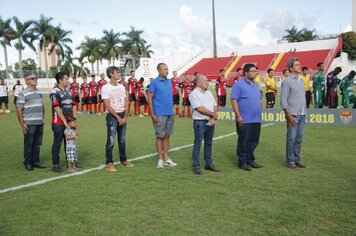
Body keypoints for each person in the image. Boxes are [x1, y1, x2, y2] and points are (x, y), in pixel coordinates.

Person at [231, 64, 263, 171]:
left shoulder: (257, 85)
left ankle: (250, 159)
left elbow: (258, 100)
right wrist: (238, 116)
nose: (255, 73)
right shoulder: (238, 85)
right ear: (246, 73)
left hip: (256, 119)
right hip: (244, 119)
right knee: (243, 141)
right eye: (253, 71)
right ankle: (243, 162)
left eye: (256, 71)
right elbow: (234, 100)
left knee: (254, 141)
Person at [101, 66, 134, 172]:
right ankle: (109, 163)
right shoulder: (105, 88)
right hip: (112, 116)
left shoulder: (121, 86)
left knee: (122, 140)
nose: (119, 74)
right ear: (111, 74)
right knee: (110, 140)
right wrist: (118, 118)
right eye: (117, 72)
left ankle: (123, 160)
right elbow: (107, 106)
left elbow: (126, 101)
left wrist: (124, 116)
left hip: (122, 114)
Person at [147, 63, 177, 169]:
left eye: (167, 69)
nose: (167, 71)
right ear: (159, 71)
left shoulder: (170, 82)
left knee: (167, 136)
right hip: (159, 113)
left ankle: (166, 158)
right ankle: (160, 160)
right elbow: (149, 98)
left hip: (170, 113)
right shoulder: (154, 82)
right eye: (165, 69)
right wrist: (152, 113)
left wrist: (172, 110)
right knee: (160, 136)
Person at [189, 74, 219, 175]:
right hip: (200, 122)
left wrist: (213, 117)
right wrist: (213, 115)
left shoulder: (209, 93)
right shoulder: (194, 94)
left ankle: (209, 163)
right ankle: (196, 165)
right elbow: (199, 109)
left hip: (210, 122)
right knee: (198, 144)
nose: (207, 82)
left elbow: (215, 105)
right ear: (198, 83)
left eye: (207, 80)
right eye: (205, 81)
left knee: (209, 143)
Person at [280, 58, 307, 169]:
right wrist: (288, 114)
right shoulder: (287, 81)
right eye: (296, 65)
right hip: (293, 114)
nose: (299, 66)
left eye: (299, 64)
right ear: (291, 68)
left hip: (302, 113)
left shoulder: (301, 80)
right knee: (291, 138)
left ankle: (297, 159)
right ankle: (290, 160)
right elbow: (283, 99)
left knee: (299, 138)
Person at [16, 73, 46, 171]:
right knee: (29, 144)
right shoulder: (23, 93)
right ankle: (28, 163)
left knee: (37, 144)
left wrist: (42, 118)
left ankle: (35, 162)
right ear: (27, 81)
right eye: (32, 78)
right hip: (29, 123)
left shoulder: (39, 92)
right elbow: (19, 109)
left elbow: (42, 107)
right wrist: (22, 124)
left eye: (36, 78)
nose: (35, 79)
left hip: (40, 122)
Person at [50, 72, 77, 173]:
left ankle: (70, 163)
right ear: (60, 80)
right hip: (58, 122)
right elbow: (56, 108)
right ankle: (55, 164)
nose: (68, 81)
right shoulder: (55, 92)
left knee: (69, 143)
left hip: (69, 123)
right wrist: (64, 121)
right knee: (57, 143)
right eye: (66, 79)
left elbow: (74, 105)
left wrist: (73, 120)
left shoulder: (69, 92)